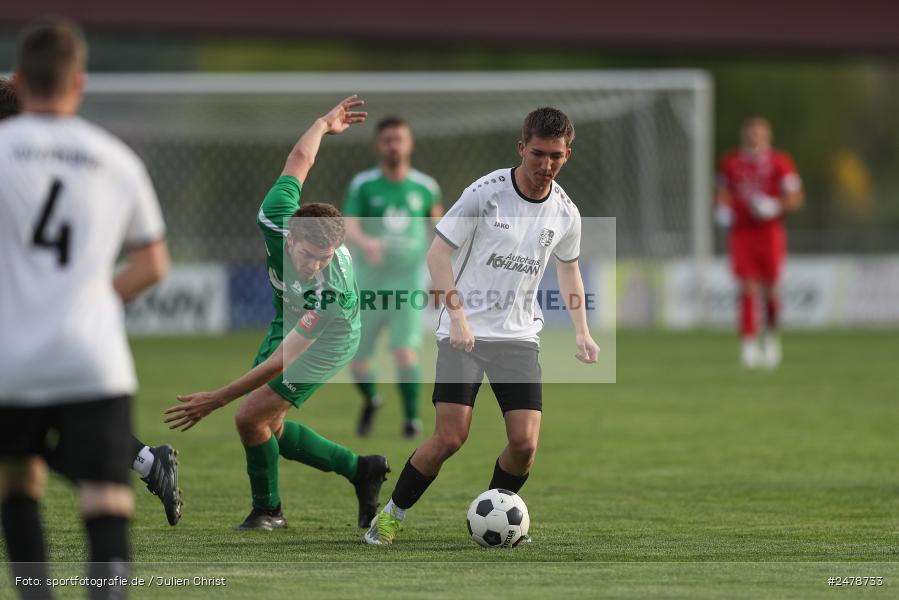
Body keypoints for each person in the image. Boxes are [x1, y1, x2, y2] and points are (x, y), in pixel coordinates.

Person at [364, 107, 599, 545]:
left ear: (567, 153)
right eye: (538, 154)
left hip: (519, 338)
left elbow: (569, 269)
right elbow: (437, 254)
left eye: (556, 156)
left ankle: (501, 512)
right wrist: (455, 316)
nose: (546, 165)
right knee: (451, 437)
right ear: (521, 147)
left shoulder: (566, 212)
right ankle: (391, 515)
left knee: (525, 445)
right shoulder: (485, 193)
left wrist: (582, 330)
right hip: (464, 335)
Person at [164, 96, 391, 531]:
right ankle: (361, 469)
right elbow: (299, 159)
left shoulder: (328, 291)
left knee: (249, 417)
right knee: (270, 427)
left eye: (326, 257)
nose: (316, 264)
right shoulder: (275, 216)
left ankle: (269, 511)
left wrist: (215, 399)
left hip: (331, 338)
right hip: (286, 316)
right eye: (310, 254)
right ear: (292, 237)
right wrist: (323, 123)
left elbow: (281, 360)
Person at [0, 19, 169, 598]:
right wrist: (94, 301)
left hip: (11, 357)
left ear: (18, 82)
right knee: (105, 494)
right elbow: (153, 265)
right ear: (79, 83)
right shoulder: (115, 158)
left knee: (19, 483)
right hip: (90, 357)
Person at [343, 116, 443, 439]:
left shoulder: (426, 187)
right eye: (387, 140)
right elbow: (350, 225)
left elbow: (441, 233)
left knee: (405, 351)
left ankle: (412, 421)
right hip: (368, 282)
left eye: (399, 138)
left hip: (409, 281)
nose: (394, 145)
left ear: (409, 143)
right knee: (357, 358)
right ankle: (372, 399)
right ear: (378, 145)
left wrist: (440, 278)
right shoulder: (363, 185)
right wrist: (365, 241)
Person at [715, 116, 803, 369]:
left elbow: (796, 197)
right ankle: (748, 344)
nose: (755, 137)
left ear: (768, 136)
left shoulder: (780, 162)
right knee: (747, 287)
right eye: (750, 132)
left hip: (769, 232)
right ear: (744, 135)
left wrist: (775, 206)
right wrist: (722, 210)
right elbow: (722, 192)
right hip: (742, 233)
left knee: (771, 288)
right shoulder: (730, 163)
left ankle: (772, 337)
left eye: (759, 133)